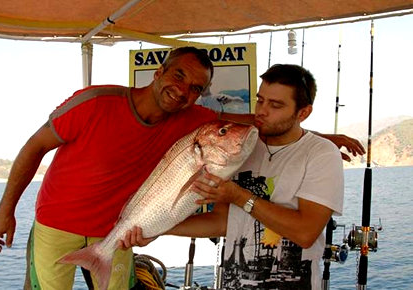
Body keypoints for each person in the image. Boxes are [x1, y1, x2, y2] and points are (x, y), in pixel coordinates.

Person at [0, 45, 362, 290]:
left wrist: (320, 137)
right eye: (179, 76)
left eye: (195, 87)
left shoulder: (193, 119)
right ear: (159, 72)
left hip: (116, 229)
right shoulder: (94, 102)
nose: (182, 90)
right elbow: (33, 147)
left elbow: (253, 122)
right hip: (57, 223)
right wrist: (4, 213)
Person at [120, 64, 351, 289]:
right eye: (260, 100)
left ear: (303, 113)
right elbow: (222, 222)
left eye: (276, 105)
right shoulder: (239, 149)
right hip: (234, 282)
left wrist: (238, 196)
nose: (261, 111)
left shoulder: (321, 153)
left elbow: (306, 232)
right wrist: (156, 228)